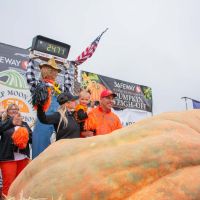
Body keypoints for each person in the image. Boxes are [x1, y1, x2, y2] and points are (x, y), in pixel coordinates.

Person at [26, 56, 72, 158]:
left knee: (56, 154)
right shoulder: (39, 85)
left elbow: (68, 88)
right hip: (42, 122)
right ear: (43, 70)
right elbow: (30, 78)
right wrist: (31, 61)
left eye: (55, 70)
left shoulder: (57, 87)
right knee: (39, 153)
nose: (53, 72)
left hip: (57, 121)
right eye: (50, 69)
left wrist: (67, 70)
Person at [0, 104, 32, 197]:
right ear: (7, 111)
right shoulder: (3, 122)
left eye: (16, 109)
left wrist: (25, 135)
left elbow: (31, 138)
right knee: (9, 184)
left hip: (23, 158)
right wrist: (11, 122)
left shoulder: (24, 123)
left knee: (20, 183)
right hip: (8, 159)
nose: (14, 110)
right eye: (11, 109)